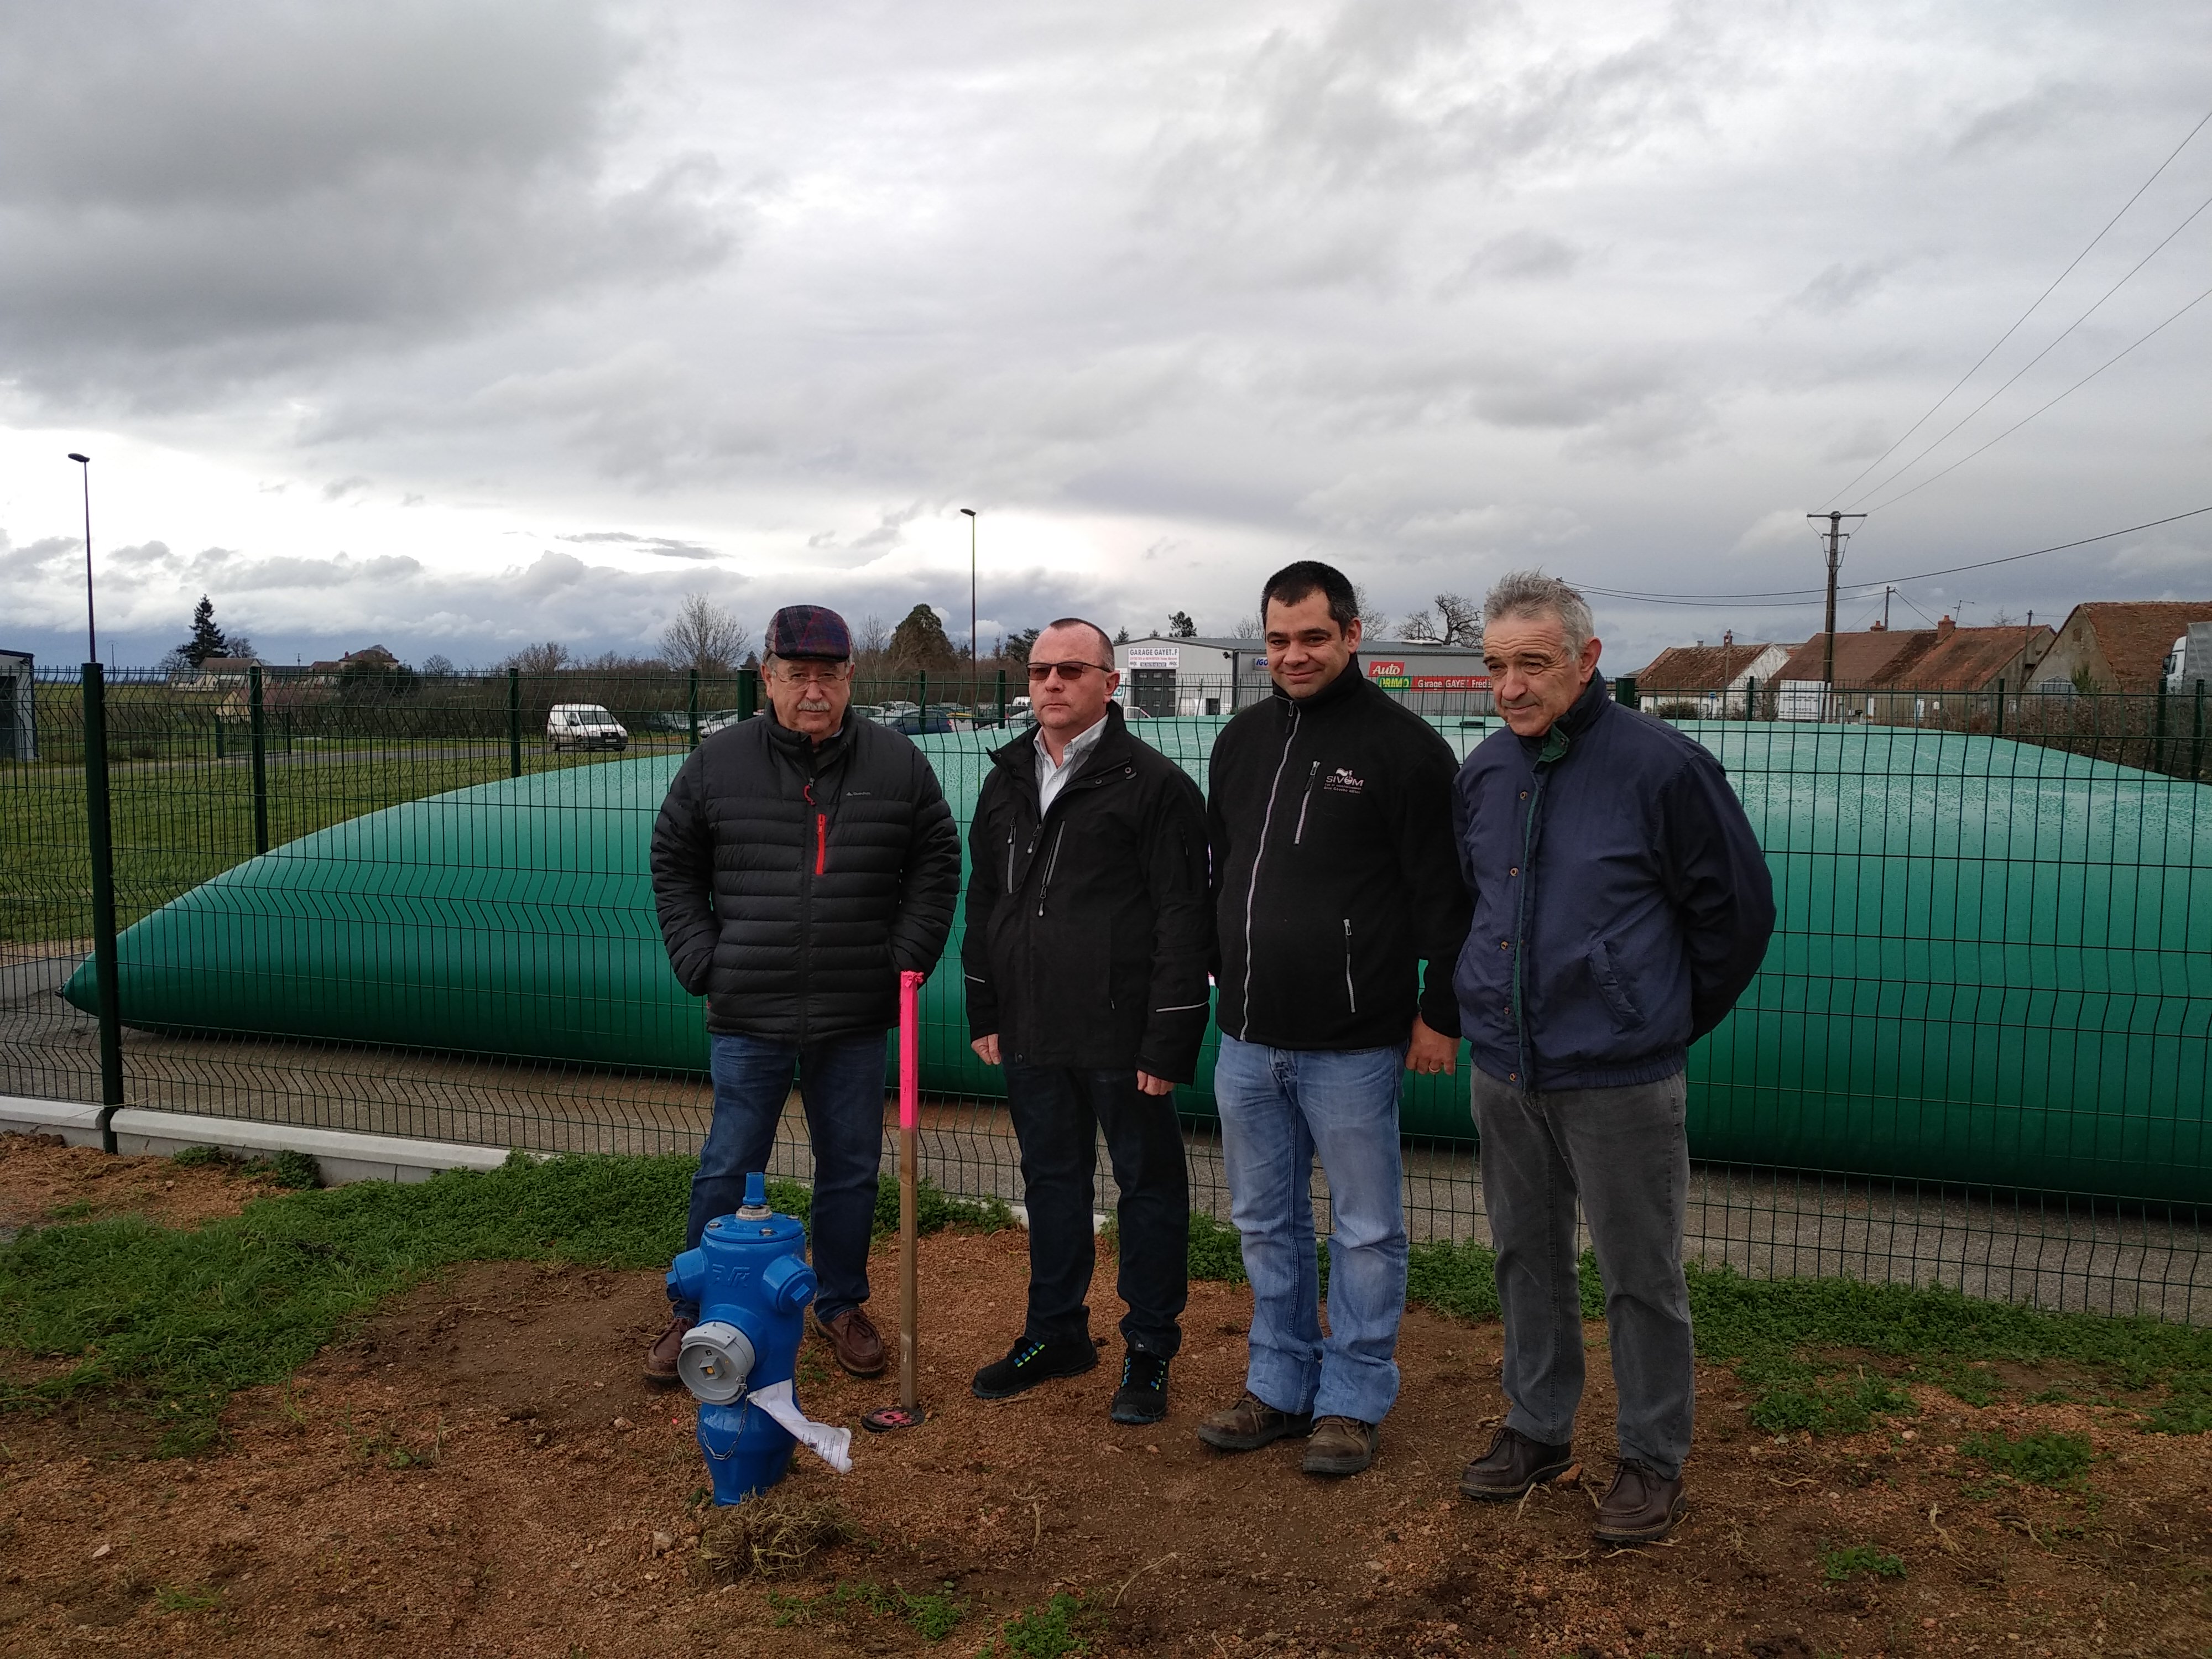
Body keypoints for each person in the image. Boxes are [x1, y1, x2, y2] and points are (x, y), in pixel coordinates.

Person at [1451, 571, 1773, 1543]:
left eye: (1534, 663)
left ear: (1587, 662)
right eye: (1497, 666)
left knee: (1640, 1273)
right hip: (1508, 1068)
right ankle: (1539, 1427)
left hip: (1621, 1075)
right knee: (1525, 1255)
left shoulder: (1664, 768)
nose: (1512, 686)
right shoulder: (1485, 773)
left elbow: (1736, 915)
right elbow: (1475, 901)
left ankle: (1649, 1458)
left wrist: (1654, 1013)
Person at [1197, 561, 1472, 1477]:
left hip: (1354, 1044)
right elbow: (1222, 872)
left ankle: (1352, 1400)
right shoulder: (1237, 742)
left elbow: (1446, 899)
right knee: (1264, 1222)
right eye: (1278, 640)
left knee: (1364, 1228)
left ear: (1352, 636)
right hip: (1246, 1039)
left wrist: (1439, 1016)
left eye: (1313, 637)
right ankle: (1278, 1387)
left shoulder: (1405, 751)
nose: (1294, 655)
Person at [646, 604, 962, 1383]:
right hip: (748, 1009)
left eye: (828, 674)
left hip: (854, 1012)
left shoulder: (897, 764)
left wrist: (906, 957)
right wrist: (703, 959)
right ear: (768, 678)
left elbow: (938, 857)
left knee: (850, 1165)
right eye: (797, 675)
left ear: (851, 677)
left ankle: (839, 1301)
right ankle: (698, 1310)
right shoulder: (718, 765)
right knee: (728, 1162)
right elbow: (673, 862)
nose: (813, 690)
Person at [962, 618, 1213, 1423]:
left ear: (1111, 683)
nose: (1052, 684)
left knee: (1147, 1187)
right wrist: (985, 1003)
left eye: (1072, 670)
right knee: (1052, 1181)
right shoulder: (1005, 777)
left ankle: (1148, 1348)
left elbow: (1184, 919)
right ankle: (1056, 1331)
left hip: (1122, 1032)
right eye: (1039, 671)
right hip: (1033, 1024)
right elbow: (986, 901)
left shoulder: (1154, 784)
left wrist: (1169, 1034)